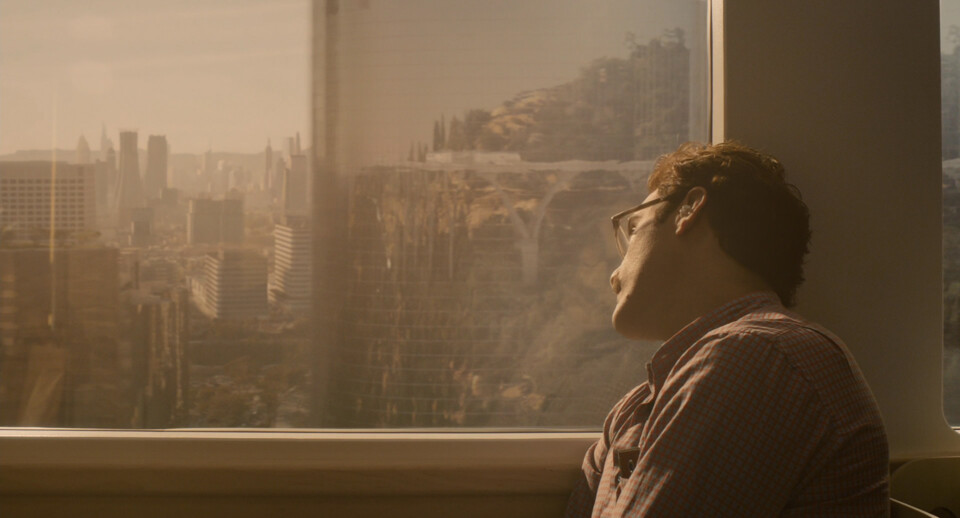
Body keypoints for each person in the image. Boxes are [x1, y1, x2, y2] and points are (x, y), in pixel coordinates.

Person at [565, 142, 889, 517]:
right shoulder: (635, 407)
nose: (613, 275)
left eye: (634, 229)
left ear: (688, 209)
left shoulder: (753, 356)